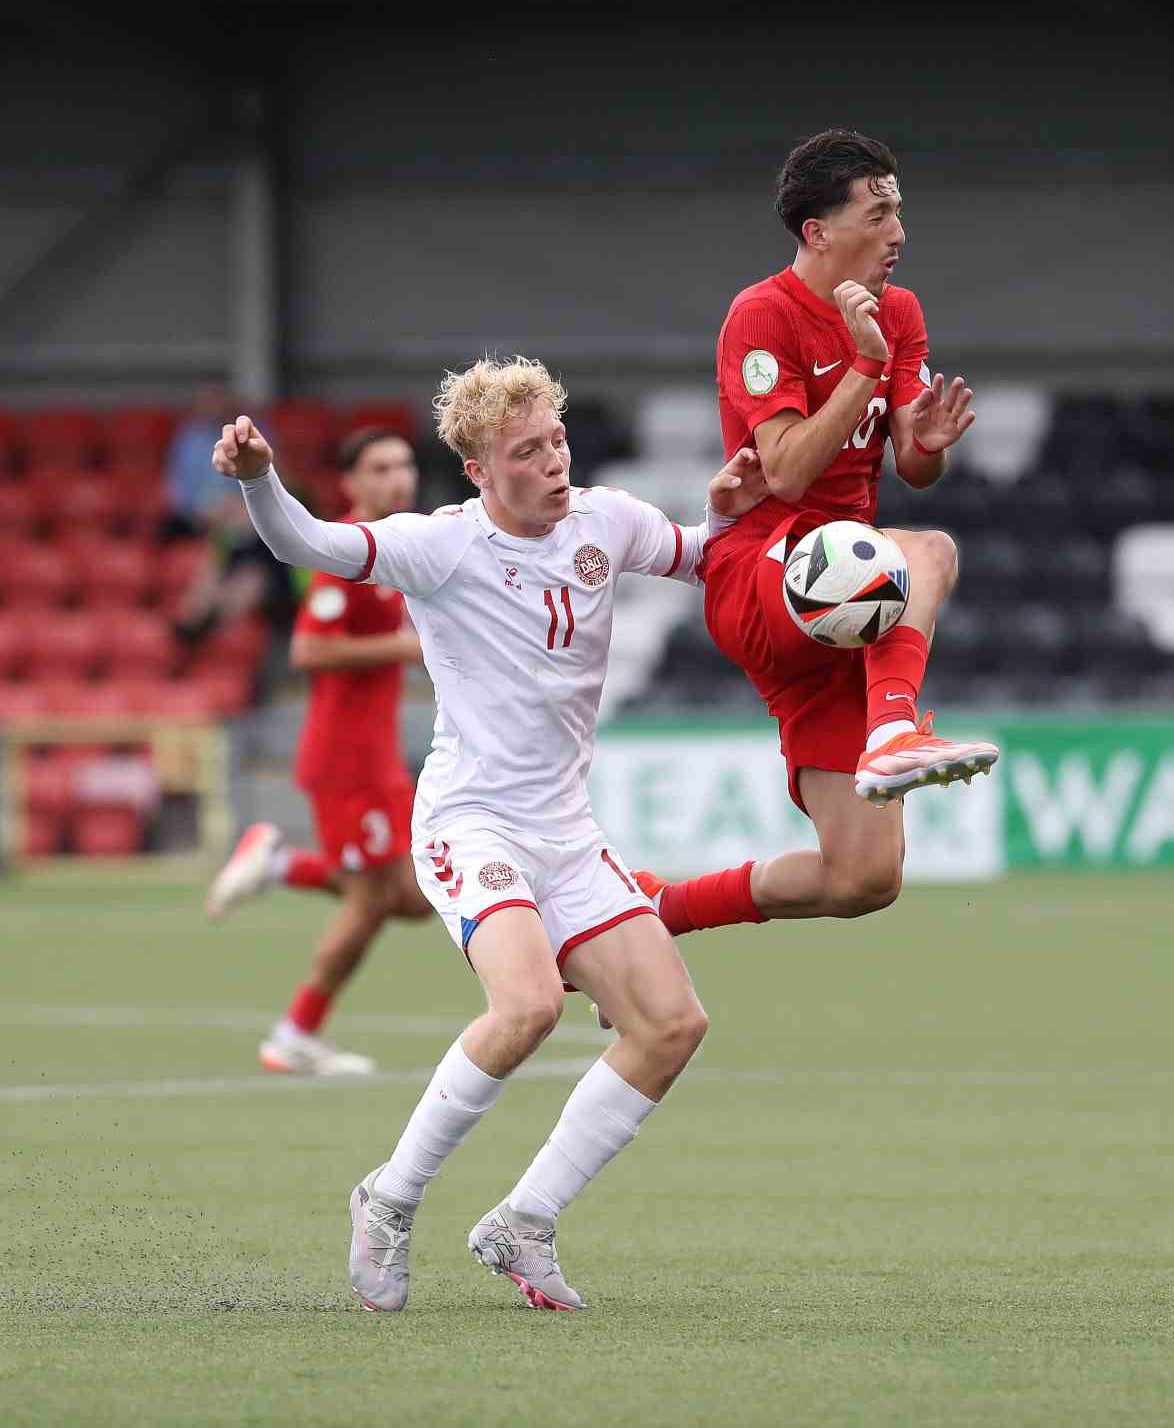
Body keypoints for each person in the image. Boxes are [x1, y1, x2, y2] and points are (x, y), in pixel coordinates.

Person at [212, 356, 767, 1313]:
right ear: (477, 469)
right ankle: (388, 1198)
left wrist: (723, 515)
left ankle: (525, 1220)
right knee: (526, 1008)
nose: (554, 462)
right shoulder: (440, 547)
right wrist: (261, 479)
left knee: (672, 1025)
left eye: (556, 439)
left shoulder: (606, 520)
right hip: (470, 819)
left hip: (564, 826)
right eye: (526, 451)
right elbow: (302, 542)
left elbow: (701, 558)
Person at [631, 130, 998, 942]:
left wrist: (926, 448)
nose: (898, 230)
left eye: (898, 208)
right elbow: (788, 473)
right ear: (817, 230)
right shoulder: (761, 315)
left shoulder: (898, 311)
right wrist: (864, 368)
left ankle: (651, 910)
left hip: (842, 594)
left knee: (863, 878)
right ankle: (893, 727)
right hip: (758, 568)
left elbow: (910, 458)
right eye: (879, 210)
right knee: (929, 550)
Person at [205, 427, 432, 1076]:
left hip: (373, 754)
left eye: (405, 463)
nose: (400, 478)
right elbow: (307, 651)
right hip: (346, 759)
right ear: (351, 484)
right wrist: (407, 648)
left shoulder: (391, 550)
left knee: (411, 898)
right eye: (382, 467)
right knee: (374, 899)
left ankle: (278, 864)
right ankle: (293, 1033)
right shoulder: (346, 554)